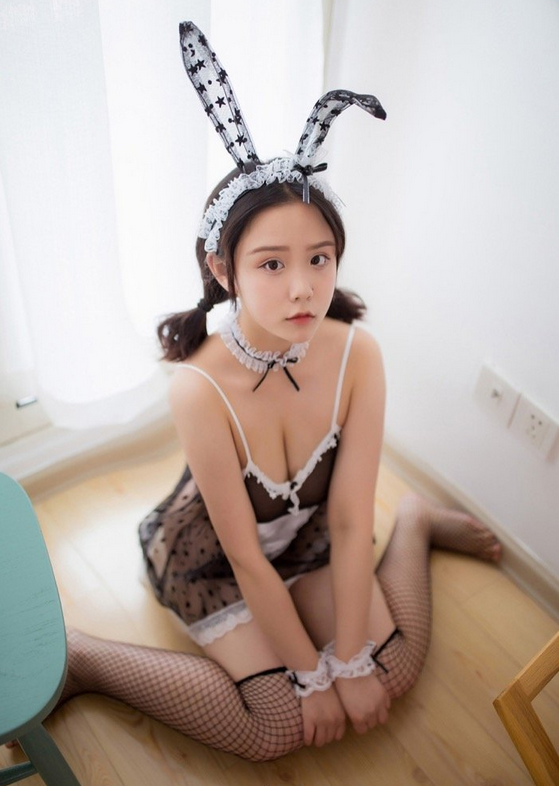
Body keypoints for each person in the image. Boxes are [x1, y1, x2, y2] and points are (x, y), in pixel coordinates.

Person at [8, 20, 501, 764]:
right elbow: (243, 555)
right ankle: (88, 659)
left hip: (310, 539)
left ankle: (413, 522)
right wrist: (312, 673)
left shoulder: (359, 355)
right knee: (276, 726)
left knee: (387, 673)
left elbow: (345, 522)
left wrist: (350, 663)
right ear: (222, 268)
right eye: (271, 264)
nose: (303, 288)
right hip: (217, 558)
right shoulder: (198, 387)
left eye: (319, 258)